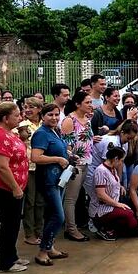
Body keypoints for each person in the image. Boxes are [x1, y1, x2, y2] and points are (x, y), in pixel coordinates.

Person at [0, 103, 29, 272]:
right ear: (5, 118)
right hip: (4, 187)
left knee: (13, 224)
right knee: (9, 225)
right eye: (17, 115)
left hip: (11, 186)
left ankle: (12, 256)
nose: (20, 118)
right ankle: (5, 262)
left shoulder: (7, 133)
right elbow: (1, 166)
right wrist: (15, 187)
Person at [31, 104, 70, 265]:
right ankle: (42, 252)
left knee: (51, 215)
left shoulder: (54, 131)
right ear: (43, 116)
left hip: (59, 179)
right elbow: (36, 157)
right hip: (48, 180)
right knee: (58, 216)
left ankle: (50, 247)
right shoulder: (41, 134)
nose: (54, 118)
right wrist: (58, 159)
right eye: (50, 115)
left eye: (56, 114)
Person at [60, 91, 95, 242]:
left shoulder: (87, 119)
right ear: (77, 104)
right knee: (71, 198)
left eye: (90, 102)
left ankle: (72, 225)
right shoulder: (69, 121)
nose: (90, 105)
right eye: (87, 103)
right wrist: (72, 160)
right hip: (75, 164)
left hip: (87, 162)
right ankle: (71, 229)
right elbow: (66, 145)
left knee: (79, 196)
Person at [90, 146, 138, 240]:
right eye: (121, 160)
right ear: (116, 159)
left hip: (112, 204)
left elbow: (112, 182)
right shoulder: (101, 171)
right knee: (129, 216)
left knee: (131, 216)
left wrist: (120, 186)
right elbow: (101, 195)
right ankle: (104, 227)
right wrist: (118, 204)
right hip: (102, 208)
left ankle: (114, 229)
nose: (121, 163)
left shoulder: (112, 169)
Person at [20, 98, 44, 246]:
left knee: (41, 201)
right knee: (30, 201)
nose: (28, 109)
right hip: (28, 167)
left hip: (43, 166)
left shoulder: (44, 124)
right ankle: (29, 233)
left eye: (32, 107)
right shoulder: (22, 125)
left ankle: (39, 231)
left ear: (39, 109)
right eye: (26, 107)